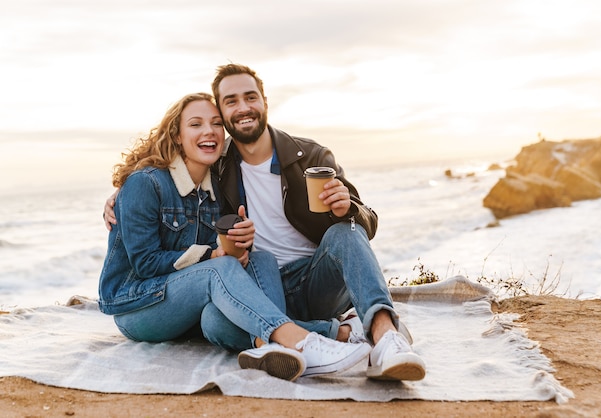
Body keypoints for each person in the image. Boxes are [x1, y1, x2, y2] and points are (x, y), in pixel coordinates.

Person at [98, 92, 370, 382]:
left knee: (257, 262)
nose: (209, 131)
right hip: (139, 306)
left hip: (189, 306)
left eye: (216, 123)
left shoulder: (215, 187)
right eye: (196, 124)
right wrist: (213, 256)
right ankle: (303, 341)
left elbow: (222, 254)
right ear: (177, 135)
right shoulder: (146, 183)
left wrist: (237, 244)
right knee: (218, 269)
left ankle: (269, 345)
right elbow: (145, 262)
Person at [209, 64, 426, 381]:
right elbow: (168, 175)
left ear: (265, 102)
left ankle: (384, 335)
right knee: (214, 321)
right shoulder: (216, 167)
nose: (243, 108)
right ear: (222, 112)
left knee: (345, 231)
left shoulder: (310, 155)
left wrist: (346, 209)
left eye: (250, 97)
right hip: (261, 285)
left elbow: (368, 222)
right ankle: (343, 334)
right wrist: (121, 195)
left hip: (315, 284)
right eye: (231, 101)